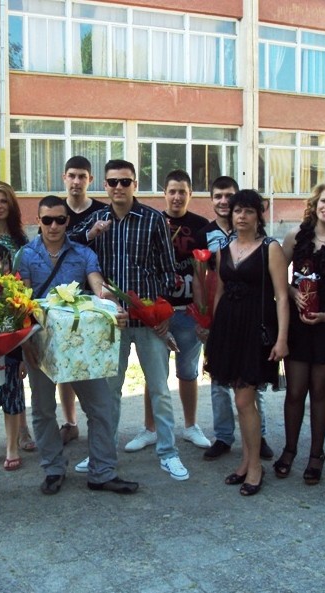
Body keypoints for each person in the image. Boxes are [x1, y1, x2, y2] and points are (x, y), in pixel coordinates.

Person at [70, 159, 188, 481]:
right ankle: (103, 452)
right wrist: (90, 234)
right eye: (113, 182)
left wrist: (158, 310)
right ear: (105, 186)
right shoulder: (97, 218)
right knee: (110, 392)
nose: (119, 187)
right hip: (113, 323)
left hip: (147, 322)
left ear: (135, 184)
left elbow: (169, 271)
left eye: (125, 181)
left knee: (159, 389)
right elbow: (68, 243)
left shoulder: (152, 219)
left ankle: (168, 452)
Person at [18, 195, 138, 495]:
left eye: (60, 220)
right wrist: (25, 343)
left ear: (67, 221)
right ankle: (53, 469)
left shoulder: (83, 253)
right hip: (40, 343)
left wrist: (112, 307)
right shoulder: (26, 256)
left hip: (81, 345)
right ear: (38, 220)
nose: (54, 226)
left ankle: (102, 472)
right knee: (43, 409)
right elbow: (21, 301)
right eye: (47, 220)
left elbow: (99, 287)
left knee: (101, 407)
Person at [204, 190, 289, 496]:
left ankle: (255, 468)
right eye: (237, 211)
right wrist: (214, 333)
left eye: (248, 211)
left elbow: (282, 297)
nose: (242, 216)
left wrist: (282, 338)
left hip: (256, 331)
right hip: (228, 330)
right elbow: (219, 292)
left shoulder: (271, 248)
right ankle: (245, 461)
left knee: (244, 401)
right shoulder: (223, 249)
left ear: (258, 215)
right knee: (240, 401)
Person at [125, 169, 210, 453]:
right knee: (154, 373)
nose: (177, 197)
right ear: (164, 193)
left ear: (190, 194)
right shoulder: (153, 222)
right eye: (172, 191)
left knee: (188, 371)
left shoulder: (200, 226)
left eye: (182, 192)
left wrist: (202, 311)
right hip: (157, 313)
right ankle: (150, 428)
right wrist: (150, 309)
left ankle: (191, 426)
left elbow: (204, 272)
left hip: (187, 311)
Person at [277, 180, 325, 484]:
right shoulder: (295, 236)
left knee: (320, 391)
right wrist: (292, 291)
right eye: (323, 201)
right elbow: (276, 276)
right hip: (298, 324)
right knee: (295, 391)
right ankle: (290, 450)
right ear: (315, 203)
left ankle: (316, 455)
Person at [193, 177, 274, 461]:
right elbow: (203, 279)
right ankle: (224, 437)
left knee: (251, 387)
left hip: (252, 320)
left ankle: (258, 438)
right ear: (212, 200)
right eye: (218, 196)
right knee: (220, 382)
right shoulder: (206, 236)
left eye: (230, 196)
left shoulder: (263, 241)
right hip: (224, 318)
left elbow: (275, 286)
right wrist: (205, 319)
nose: (224, 202)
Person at [0, 180, 35, 467]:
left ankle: (21, 429)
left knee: (14, 374)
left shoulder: (20, 239)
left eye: (3, 201)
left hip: (14, 310)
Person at [57, 156, 106, 446]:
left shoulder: (102, 210)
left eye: (82, 176)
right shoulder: (56, 211)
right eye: (72, 175)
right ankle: (70, 422)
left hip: (97, 295)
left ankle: (100, 426)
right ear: (64, 177)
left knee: (96, 363)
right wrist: (88, 234)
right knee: (66, 364)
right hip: (64, 299)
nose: (76, 181)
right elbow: (55, 245)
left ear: (90, 180)